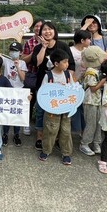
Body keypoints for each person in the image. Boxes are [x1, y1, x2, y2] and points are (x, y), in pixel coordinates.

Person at [30, 21, 75, 150]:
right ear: (40, 33)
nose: (47, 32)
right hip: (43, 83)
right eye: (44, 30)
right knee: (41, 109)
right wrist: (43, 47)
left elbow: (71, 64)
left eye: (50, 29)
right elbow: (37, 63)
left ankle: (56, 137)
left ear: (54, 31)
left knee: (59, 111)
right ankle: (40, 136)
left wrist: (68, 81)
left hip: (62, 85)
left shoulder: (62, 46)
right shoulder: (39, 47)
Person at [38, 49, 75, 166]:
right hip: (51, 109)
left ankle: (66, 153)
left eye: (67, 62)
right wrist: (56, 87)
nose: (67, 64)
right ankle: (46, 150)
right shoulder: (48, 76)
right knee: (50, 130)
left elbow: (74, 89)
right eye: (64, 62)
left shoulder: (68, 74)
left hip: (66, 108)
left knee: (66, 130)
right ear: (56, 64)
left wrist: (68, 88)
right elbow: (43, 92)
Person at [79, 46, 107, 156]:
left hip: (97, 101)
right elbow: (93, 88)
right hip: (90, 101)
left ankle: (96, 142)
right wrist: (103, 82)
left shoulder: (94, 70)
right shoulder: (91, 72)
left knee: (98, 123)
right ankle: (85, 143)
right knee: (91, 123)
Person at [2, 41, 27, 146]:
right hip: (7, 90)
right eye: (11, 50)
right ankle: (5, 134)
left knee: (17, 114)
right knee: (7, 112)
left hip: (19, 91)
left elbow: (23, 78)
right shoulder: (6, 61)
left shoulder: (23, 63)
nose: (13, 53)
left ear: (20, 53)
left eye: (16, 51)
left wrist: (17, 67)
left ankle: (17, 134)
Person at [21, 18, 43, 135]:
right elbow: (24, 59)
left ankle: (40, 127)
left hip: (44, 76)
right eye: (36, 26)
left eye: (41, 26)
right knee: (29, 100)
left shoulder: (49, 42)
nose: (38, 28)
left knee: (42, 101)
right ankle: (26, 124)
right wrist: (35, 50)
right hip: (31, 74)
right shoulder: (29, 42)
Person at [70, 29, 92, 135]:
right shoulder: (71, 51)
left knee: (83, 107)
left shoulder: (89, 51)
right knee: (75, 107)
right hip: (73, 83)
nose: (90, 41)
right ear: (82, 40)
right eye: (89, 39)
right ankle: (76, 129)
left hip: (85, 83)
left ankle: (83, 130)